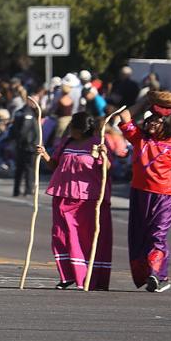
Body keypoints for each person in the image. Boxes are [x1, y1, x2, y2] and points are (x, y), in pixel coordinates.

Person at [120, 91, 171, 292]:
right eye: (150, 122)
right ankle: (149, 275)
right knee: (139, 236)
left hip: (166, 198)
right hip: (140, 194)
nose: (152, 125)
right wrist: (145, 101)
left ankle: (158, 275)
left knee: (157, 235)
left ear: (166, 125)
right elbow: (125, 117)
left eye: (157, 122)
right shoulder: (139, 139)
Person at [37, 113, 113, 290]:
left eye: (74, 128)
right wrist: (44, 155)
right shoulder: (67, 143)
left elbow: (108, 169)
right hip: (63, 194)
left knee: (82, 238)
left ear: (82, 129)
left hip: (88, 199)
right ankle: (67, 275)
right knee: (60, 235)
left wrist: (105, 155)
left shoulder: (98, 142)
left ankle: (87, 277)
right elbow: (54, 165)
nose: (71, 130)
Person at [9, 88, 44, 196]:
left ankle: (17, 190)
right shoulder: (27, 113)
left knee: (21, 168)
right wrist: (24, 141)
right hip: (28, 145)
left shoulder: (23, 112)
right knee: (29, 168)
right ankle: (28, 190)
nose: (36, 103)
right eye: (34, 101)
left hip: (24, 144)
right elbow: (24, 129)